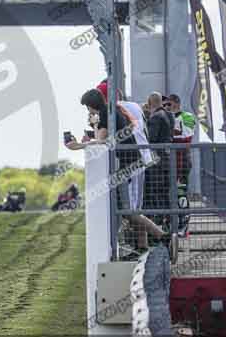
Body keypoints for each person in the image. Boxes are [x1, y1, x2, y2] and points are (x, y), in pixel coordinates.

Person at [66, 89, 166, 250]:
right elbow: (102, 139)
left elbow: (101, 140)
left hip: (130, 164)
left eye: (88, 107)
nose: (88, 111)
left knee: (128, 210)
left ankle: (163, 236)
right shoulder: (110, 111)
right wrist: (94, 126)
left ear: (92, 105)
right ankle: (142, 246)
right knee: (131, 210)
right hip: (131, 162)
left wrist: (79, 145)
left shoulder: (105, 114)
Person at [145, 92, 174, 226]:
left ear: (150, 104)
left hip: (157, 161)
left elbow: (151, 139)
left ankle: (159, 225)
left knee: (156, 192)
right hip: (167, 159)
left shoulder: (155, 117)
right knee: (165, 192)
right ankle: (169, 222)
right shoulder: (169, 115)